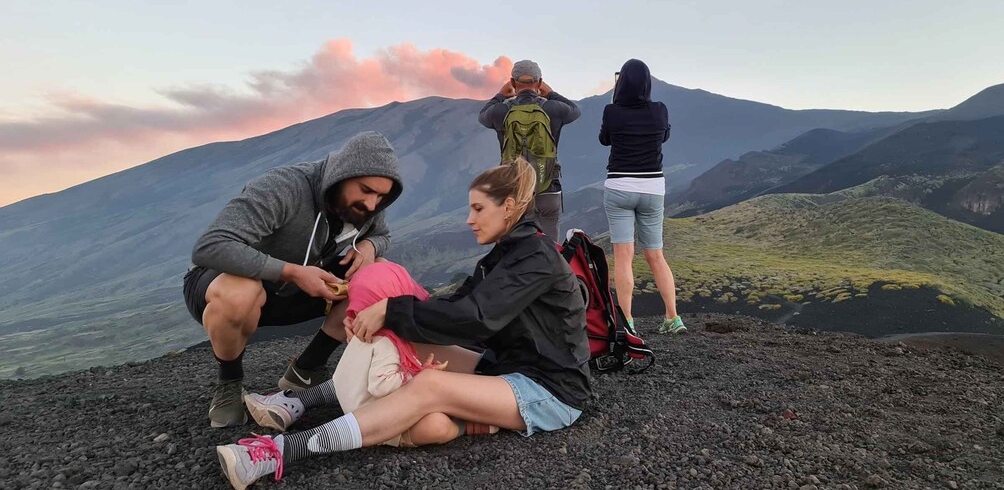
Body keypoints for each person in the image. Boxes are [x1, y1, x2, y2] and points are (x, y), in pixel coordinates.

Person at [215, 158, 591, 490]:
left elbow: (473, 318)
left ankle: (279, 451)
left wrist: (393, 308)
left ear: (508, 207)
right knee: (400, 340)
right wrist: (387, 315)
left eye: (478, 208)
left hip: (549, 389)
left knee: (428, 384)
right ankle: (295, 402)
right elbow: (455, 304)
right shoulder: (504, 255)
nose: (469, 219)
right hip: (505, 367)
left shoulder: (534, 257)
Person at [183, 131, 403, 428]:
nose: (372, 204)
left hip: (298, 290)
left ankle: (307, 369)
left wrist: (370, 246)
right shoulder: (285, 187)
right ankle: (229, 384)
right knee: (242, 291)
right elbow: (209, 246)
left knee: (378, 272)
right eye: (365, 190)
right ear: (342, 174)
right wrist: (291, 272)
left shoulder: (365, 207)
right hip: (226, 286)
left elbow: (381, 235)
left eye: (380, 196)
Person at [241, 261, 500, 446]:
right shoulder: (385, 341)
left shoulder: (373, 338)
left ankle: (292, 406)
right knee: (436, 424)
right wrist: (421, 377)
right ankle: (292, 417)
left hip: (364, 398)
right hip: (373, 409)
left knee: (435, 417)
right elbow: (382, 384)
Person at [599, 59, 686, 335]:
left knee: (624, 258)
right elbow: (665, 136)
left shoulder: (612, 111)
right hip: (652, 188)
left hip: (619, 186)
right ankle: (673, 317)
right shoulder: (659, 110)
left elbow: (604, 139)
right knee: (656, 256)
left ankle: (628, 323)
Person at [479, 59, 581, 239]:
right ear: (539, 83)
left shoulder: (501, 110)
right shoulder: (552, 108)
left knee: (514, 249)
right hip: (548, 186)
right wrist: (551, 94)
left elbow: (482, 116)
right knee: (549, 248)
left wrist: (500, 95)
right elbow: (575, 110)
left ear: (512, 83)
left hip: (514, 189)